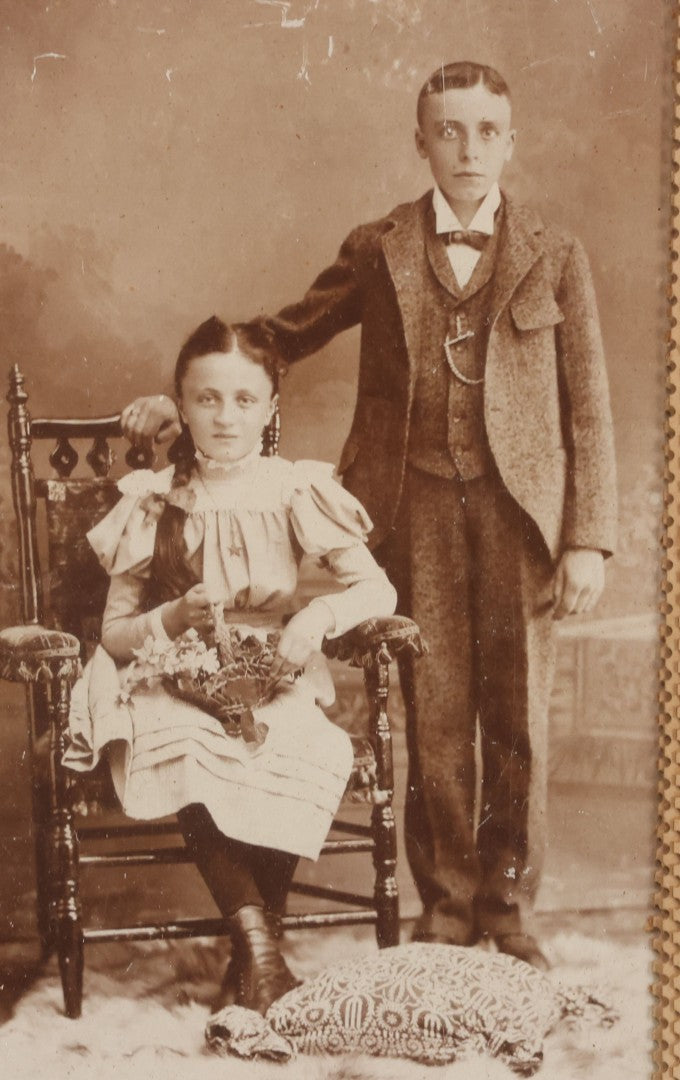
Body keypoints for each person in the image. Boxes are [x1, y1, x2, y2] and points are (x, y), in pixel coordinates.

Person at [121, 62, 617, 970]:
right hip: (410, 503)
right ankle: (449, 905)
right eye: (449, 130)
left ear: (510, 138)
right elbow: (281, 333)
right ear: (420, 140)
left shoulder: (557, 249)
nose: (468, 149)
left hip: (522, 515)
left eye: (486, 130)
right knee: (433, 713)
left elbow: (588, 406)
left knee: (517, 716)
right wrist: (181, 393)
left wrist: (587, 537)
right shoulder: (379, 245)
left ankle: (508, 906)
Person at [64, 316, 397, 1015]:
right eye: (207, 399)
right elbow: (117, 634)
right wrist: (172, 619)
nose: (225, 416)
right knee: (185, 748)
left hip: (269, 667)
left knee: (292, 746)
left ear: (271, 407)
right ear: (181, 405)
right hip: (167, 673)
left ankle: (251, 960)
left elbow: (376, 589)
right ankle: (265, 956)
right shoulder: (154, 498)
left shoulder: (293, 488)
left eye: (245, 400)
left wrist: (314, 618)